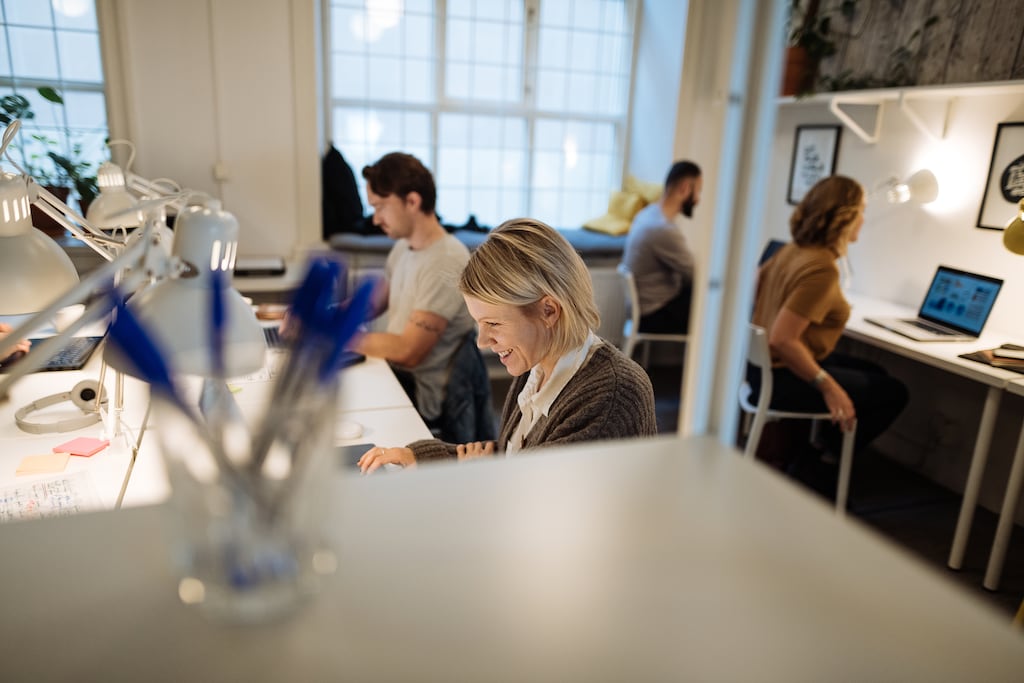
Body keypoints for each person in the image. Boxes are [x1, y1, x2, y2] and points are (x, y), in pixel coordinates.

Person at [359, 218, 657, 472]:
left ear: (549, 311)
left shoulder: (611, 398)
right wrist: (418, 456)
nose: (482, 342)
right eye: (479, 323)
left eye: (494, 324)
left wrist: (472, 476)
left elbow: (531, 505)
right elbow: (513, 455)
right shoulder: (537, 363)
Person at [749, 175, 908, 461]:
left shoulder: (790, 249)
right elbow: (783, 339)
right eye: (861, 210)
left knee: (877, 373)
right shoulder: (822, 268)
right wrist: (830, 387)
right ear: (844, 219)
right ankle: (827, 460)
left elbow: (754, 287)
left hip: (756, 369)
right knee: (894, 393)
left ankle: (817, 446)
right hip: (781, 378)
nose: (863, 219)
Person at [351, 152, 488, 441]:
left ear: (412, 202)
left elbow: (408, 351)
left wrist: (331, 334)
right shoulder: (404, 247)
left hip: (422, 394)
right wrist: (325, 315)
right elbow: (377, 300)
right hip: (398, 374)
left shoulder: (446, 260)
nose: (375, 219)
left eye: (380, 207)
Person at [622, 160, 702, 334]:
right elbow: (693, 274)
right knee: (710, 304)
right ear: (685, 188)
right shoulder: (663, 229)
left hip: (641, 309)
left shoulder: (647, 214)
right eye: (698, 191)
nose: (698, 199)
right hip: (652, 314)